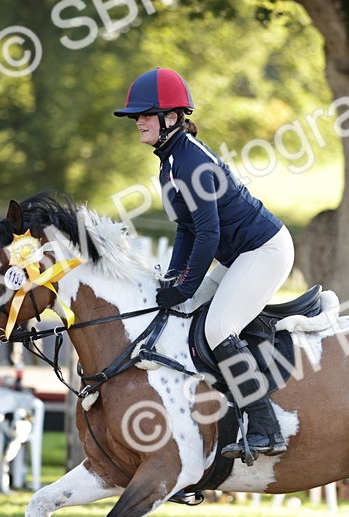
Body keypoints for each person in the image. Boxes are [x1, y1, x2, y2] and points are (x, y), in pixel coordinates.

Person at [115, 67, 295, 460]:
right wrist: (173, 280)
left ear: (171, 117)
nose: (138, 122)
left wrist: (184, 285)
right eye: (136, 116)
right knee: (183, 312)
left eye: (145, 114)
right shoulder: (170, 161)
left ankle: (267, 427)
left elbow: (208, 235)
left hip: (264, 250)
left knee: (217, 328)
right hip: (239, 255)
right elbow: (187, 229)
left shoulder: (190, 162)